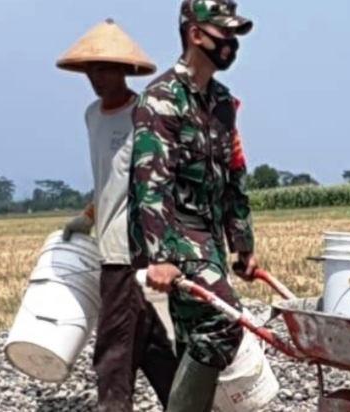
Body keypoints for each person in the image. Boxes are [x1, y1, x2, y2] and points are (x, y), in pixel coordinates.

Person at [126, 0, 258, 410]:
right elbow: (151, 184)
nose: (231, 43)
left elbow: (233, 177)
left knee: (193, 337)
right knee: (223, 322)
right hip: (175, 232)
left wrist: (243, 243)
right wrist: (161, 258)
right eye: (224, 33)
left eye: (234, 35)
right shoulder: (160, 100)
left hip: (209, 236)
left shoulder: (222, 102)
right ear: (195, 34)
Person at [55, 18, 179, 412]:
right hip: (108, 246)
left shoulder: (144, 116)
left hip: (130, 251)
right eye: (91, 70)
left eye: (105, 69)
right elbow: (108, 180)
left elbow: (158, 183)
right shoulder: (92, 115)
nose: (97, 78)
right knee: (149, 343)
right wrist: (89, 216)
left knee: (113, 350)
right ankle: (187, 404)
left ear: (125, 70)